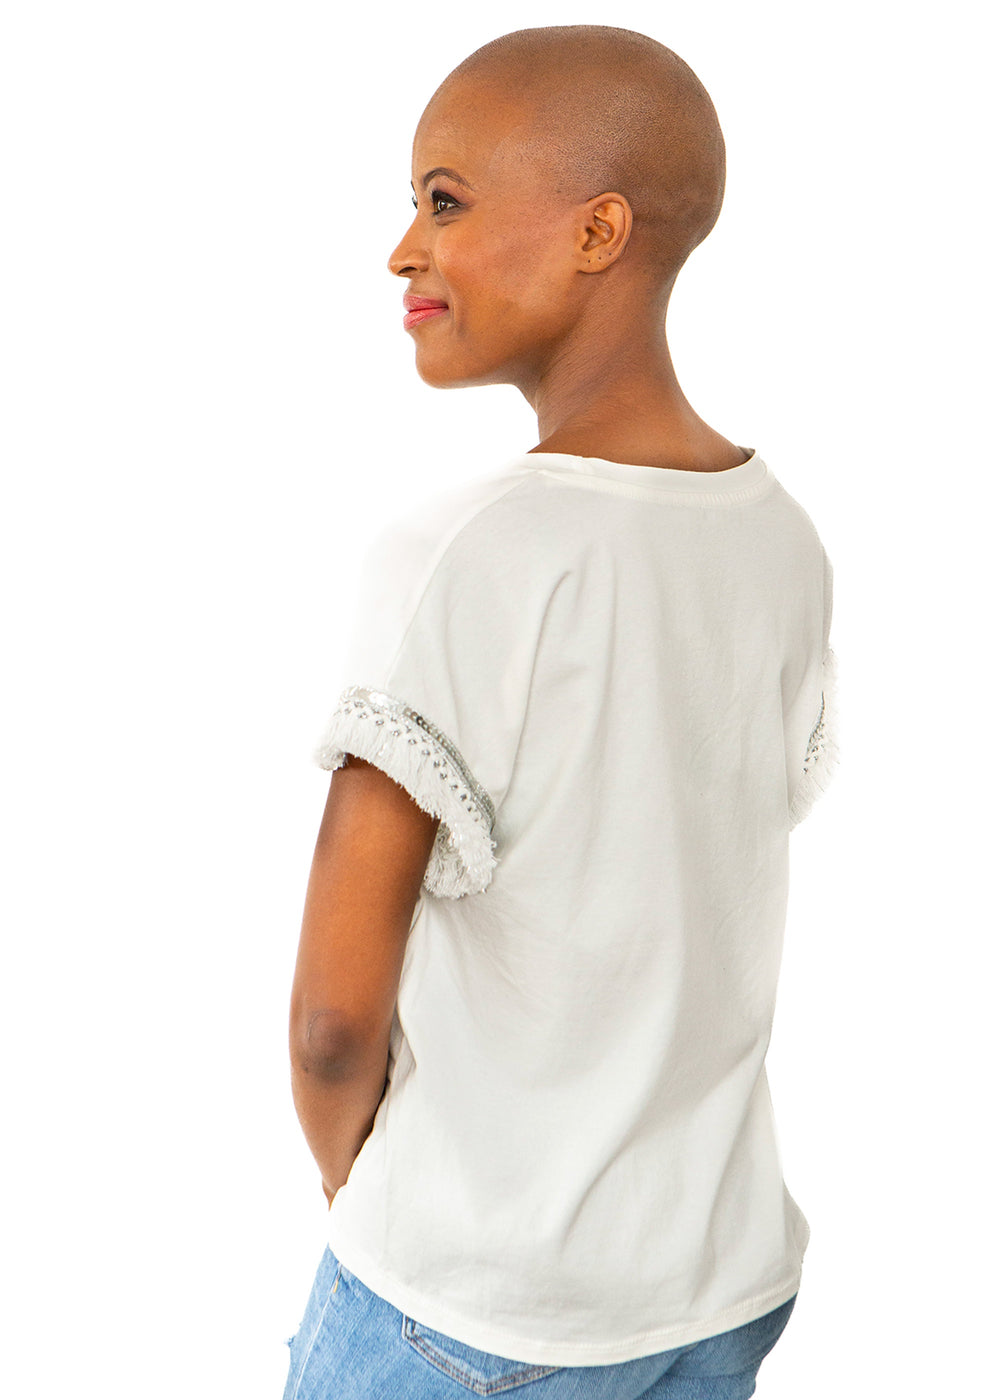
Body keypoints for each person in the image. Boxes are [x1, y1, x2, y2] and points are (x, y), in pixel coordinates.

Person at [283, 24, 840, 1400]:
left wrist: (377, 1209)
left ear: (600, 231)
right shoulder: (781, 540)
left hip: (472, 1310)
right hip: (713, 1291)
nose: (403, 250)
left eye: (445, 201)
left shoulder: (466, 554)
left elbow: (334, 1023)